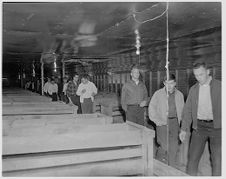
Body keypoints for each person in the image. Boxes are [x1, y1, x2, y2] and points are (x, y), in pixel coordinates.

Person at [179, 60, 221, 176]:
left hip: (217, 128)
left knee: (218, 161)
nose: (198, 78)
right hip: (199, 128)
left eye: (201, 74)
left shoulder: (220, 86)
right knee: (192, 159)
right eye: (196, 75)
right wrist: (183, 129)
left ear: (208, 71)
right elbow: (187, 110)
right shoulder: (193, 89)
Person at [148, 74, 184, 167]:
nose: (169, 86)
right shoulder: (158, 94)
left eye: (171, 83)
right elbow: (151, 108)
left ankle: (171, 169)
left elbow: (183, 110)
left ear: (175, 83)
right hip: (162, 123)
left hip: (175, 123)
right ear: (164, 83)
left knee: (174, 147)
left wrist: (182, 124)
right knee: (164, 146)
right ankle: (157, 165)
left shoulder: (179, 95)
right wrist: (156, 120)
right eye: (167, 83)